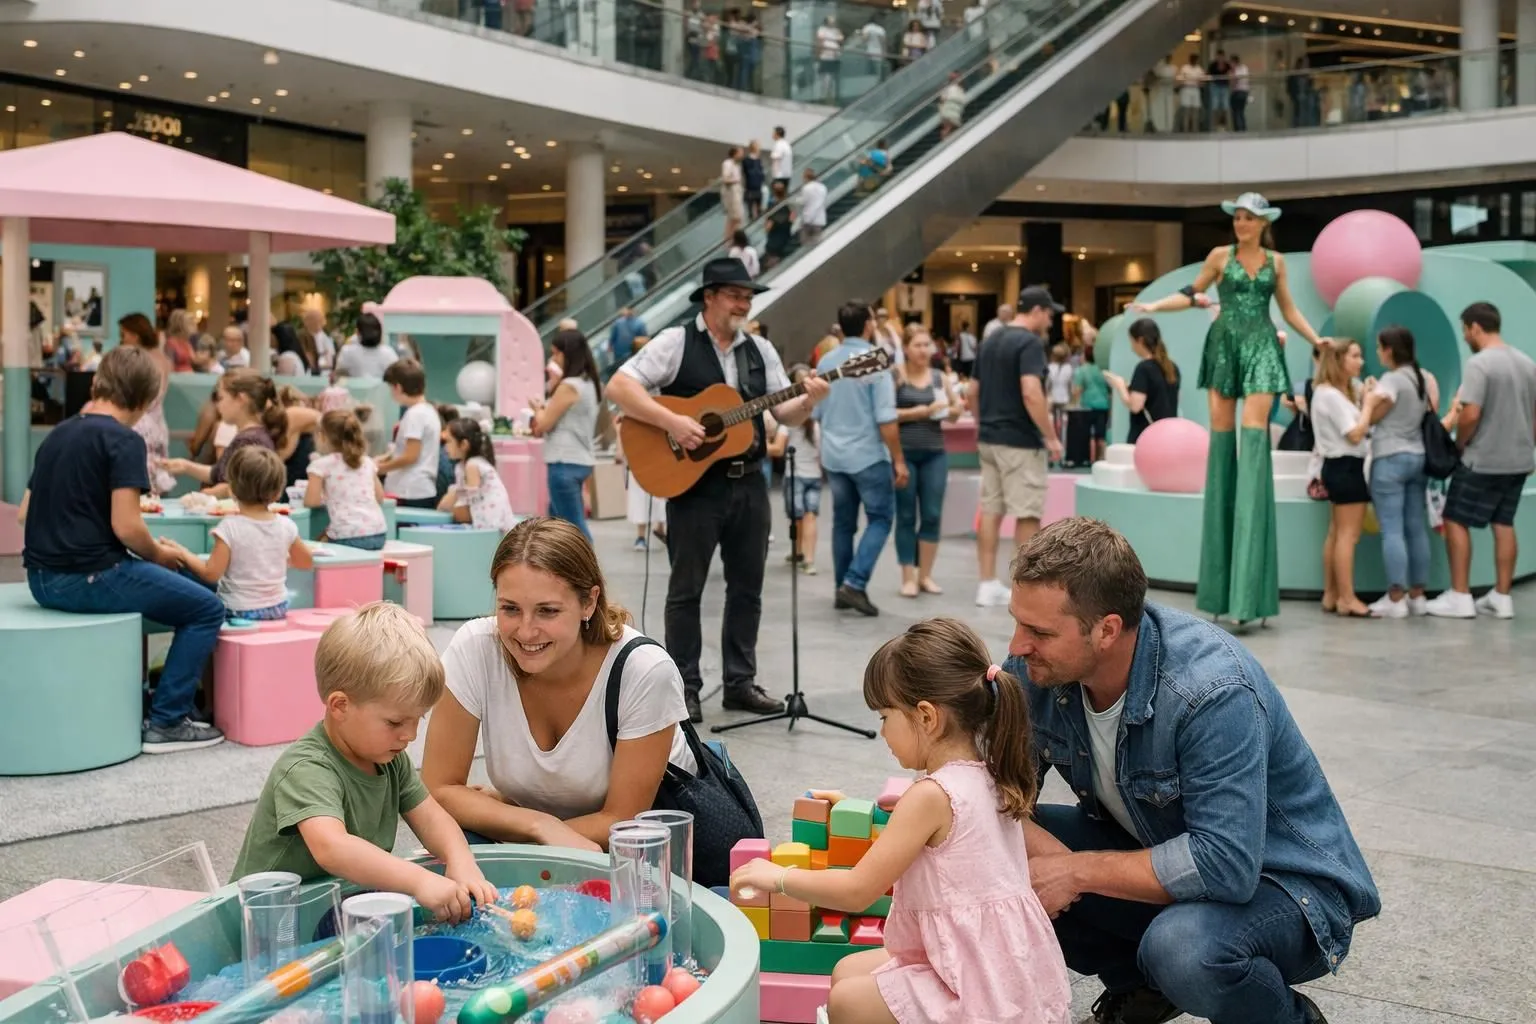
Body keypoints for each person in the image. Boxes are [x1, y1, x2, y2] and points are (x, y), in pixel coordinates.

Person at [1003, 518, 1380, 1024]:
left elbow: (1225, 864)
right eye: (1018, 622)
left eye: (1039, 631)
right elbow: (1000, 792)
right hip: (1164, 851)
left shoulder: (1210, 690)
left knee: (1184, 949)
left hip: (1288, 888)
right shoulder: (1038, 668)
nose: (1018, 645)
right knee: (998, 850)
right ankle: (1142, 990)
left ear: (1107, 629)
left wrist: (1074, 872)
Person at [730, 619, 1072, 1024]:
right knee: (846, 971)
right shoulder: (984, 774)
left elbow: (857, 891)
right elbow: (942, 837)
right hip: (1003, 968)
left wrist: (775, 877)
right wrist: (854, 808)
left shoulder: (930, 796)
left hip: (977, 991)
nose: (883, 732)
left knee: (849, 1001)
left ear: (926, 716)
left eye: (884, 717)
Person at [605, 257, 829, 722]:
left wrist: (808, 400)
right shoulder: (675, 342)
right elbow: (620, 386)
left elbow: (784, 415)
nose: (744, 304)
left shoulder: (760, 350)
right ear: (709, 297)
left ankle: (739, 683)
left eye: (748, 297)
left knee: (748, 589)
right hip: (694, 487)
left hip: (749, 484)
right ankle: (683, 686)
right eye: (735, 295)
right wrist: (673, 422)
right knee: (685, 590)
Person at [423, 518, 697, 851]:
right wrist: (536, 824)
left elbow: (621, 822)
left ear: (589, 602)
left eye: (547, 611)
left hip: (642, 853)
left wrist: (507, 820)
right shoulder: (476, 647)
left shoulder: (643, 670)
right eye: (510, 608)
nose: (525, 631)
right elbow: (438, 789)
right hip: (550, 832)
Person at [230, 603, 499, 921]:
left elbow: (432, 819)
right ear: (340, 706)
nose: (410, 735)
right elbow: (333, 847)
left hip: (339, 908)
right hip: (269, 921)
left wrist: (460, 859)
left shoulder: (388, 759)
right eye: (395, 722)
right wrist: (421, 880)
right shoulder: (306, 768)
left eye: (417, 719)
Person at [1132, 193, 1328, 626]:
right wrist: (1154, 306)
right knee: (1223, 445)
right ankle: (1223, 590)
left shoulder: (1277, 262)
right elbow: (1192, 292)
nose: (1240, 223)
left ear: (1262, 223)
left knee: (1254, 440)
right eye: (1236, 217)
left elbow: (1289, 309)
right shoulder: (1220, 256)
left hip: (1261, 345)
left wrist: (1317, 340)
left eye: (1248, 218)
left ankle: (1247, 593)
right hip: (1223, 346)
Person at [21, 346, 226, 753]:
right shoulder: (123, 440)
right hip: (89, 576)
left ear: (98, 384)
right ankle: (168, 720)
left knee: (179, 589)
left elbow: (25, 512)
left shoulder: (59, 434)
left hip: (40, 579)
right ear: (148, 400)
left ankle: (158, 693)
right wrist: (159, 554)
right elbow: (127, 526)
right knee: (207, 608)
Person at [1427, 301, 1536, 619]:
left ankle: (1460, 595)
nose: (1465, 337)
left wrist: (1460, 443)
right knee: (1503, 522)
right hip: (1518, 459)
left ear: (1475, 327)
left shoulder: (1480, 364)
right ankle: (1502, 597)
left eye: (1465, 330)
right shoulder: (1527, 363)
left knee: (1455, 519)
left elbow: (1470, 413)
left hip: (1482, 459)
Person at [970, 286, 1064, 609]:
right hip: (1020, 441)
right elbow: (1031, 392)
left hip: (989, 438)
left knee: (991, 510)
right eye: (1049, 314)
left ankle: (986, 584)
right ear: (1037, 311)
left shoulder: (990, 340)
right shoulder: (1030, 343)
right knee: (1027, 513)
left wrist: (982, 423)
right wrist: (1051, 436)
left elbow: (972, 391)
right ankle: (1021, 590)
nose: (1050, 321)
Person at [817, 301, 906, 618]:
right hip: (868, 455)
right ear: (869, 325)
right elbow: (886, 418)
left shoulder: (826, 361)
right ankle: (854, 583)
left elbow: (817, 410)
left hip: (834, 455)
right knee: (880, 518)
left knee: (843, 523)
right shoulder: (874, 362)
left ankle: (843, 587)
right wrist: (899, 459)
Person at [166, 447, 313, 621]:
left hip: (238, 610)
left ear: (232, 489)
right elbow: (305, 562)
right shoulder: (286, 525)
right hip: (277, 608)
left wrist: (183, 554)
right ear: (278, 492)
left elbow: (211, 573)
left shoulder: (229, 527)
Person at [1351, 326, 1438, 618]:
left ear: (1389, 349)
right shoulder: (1422, 377)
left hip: (1389, 457)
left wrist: (1367, 397)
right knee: (1416, 526)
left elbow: (1376, 410)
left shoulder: (1391, 380)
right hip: (1418, 457)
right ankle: (1418, 594)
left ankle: (1396, 596)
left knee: (1392, 529)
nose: (1377, 352)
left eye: (1379, 347)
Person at [892, 327, 960, 598]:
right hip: (905, 453)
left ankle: (926, 575)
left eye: (927, 345)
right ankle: (907, 576)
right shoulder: (896, 375)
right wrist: (919, 412)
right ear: (906, 348)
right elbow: (886, 412)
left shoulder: (939, 377)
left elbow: (955, 409)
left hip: (935, 453)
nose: (923, 350)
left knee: (932, 514)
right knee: (906, 514)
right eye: (918, 345)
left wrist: (954, 410)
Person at [1309, 340, 1371, 618]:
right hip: (1346, 467)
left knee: (1336, 533)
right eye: (1355, 356)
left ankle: (1331, 594)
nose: (1361, 362)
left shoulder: (1328, 393)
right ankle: (1347, 598)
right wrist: (1369, 405)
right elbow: (1354, 433)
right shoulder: (1330, 395)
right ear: (1339, 360)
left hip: (1336, 466)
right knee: (1349, 535)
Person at [161, 370, 288, 498]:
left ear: (240, 399)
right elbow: (218, 472)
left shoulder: (249, 441)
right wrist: (185, 466)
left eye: (221, 398)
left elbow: (235, 487)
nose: (217, 405)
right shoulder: (251, 436)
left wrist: (204, 496)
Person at [531, 329, 601, 540]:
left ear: (567, 354)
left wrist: (536, 408)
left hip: (564, 461)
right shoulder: (589, 383)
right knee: (561, 523)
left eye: (556, 354)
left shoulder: (570, 386)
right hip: (579, 459)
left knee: (573, 528)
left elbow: (543, 423)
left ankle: (588, 569)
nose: (553, 359)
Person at [304, 409, 388, 550]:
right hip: (379, 533)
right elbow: (379, 497)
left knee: (315, 545)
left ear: (322, 436)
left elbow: (311, 501)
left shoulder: (319, 465)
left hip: (347, 537)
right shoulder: (367, 462)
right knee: (324, 536)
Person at [117, 313, 177, 495]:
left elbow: (151, 396)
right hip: (157, 422)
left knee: (144, 478)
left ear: (135, 335)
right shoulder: (161, 358)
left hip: (144, 424)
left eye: (123, 334)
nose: (122, 339)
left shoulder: (147, 360)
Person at [375, 360, 442, 510]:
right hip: (420, 489)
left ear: (397, 387)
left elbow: (411, 456)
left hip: (409, 490)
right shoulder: (428, 410)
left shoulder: (415, 415)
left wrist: (380, 469)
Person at [775, 365, 823, 574]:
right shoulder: (815, 420)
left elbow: (778, 448)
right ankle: (809, 559)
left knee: (797, 516)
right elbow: (821, 451)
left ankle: (798, 551)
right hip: (814, 474)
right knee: (810, 515)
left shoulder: (789, 421)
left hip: (795, 475)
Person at [1104, 318, 1181, 444]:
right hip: (1168, 437)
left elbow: (1135, 406)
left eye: (1132, 341)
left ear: (1140, 340)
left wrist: (1120, 386)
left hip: (1145, 436)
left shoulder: (1143, 368)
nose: (1131, 347)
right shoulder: (1173, 367)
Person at [440, 417, 518, 533]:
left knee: (457, 512)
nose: (446, 446)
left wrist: (454, 498)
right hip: (486, 514)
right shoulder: (461, 466)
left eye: (449, 441)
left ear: (464, 444)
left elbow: (470, 498)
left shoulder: (472, 465)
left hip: (491, 518)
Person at [1072, 347, 1111, 464]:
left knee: (1085, 433)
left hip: (1087, 406)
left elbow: (1077, 390)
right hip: (1103, 405)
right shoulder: (1103, 370)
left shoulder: (1081, 370)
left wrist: (1075, 401)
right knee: (1101, 435)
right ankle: (1101, 459)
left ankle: (1086, 459)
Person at [334, 313, 399, 379]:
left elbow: (339, 376)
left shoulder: (347, 351)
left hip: (354, 388)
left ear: (357, 332)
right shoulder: (388, 352)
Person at [608, 308, 648, 377]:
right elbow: (613, 337)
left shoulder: (639, 324)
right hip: (623, 354)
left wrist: (610, 345)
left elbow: (643, 339)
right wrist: (610, 345)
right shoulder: (619, 323)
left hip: (628, 354)